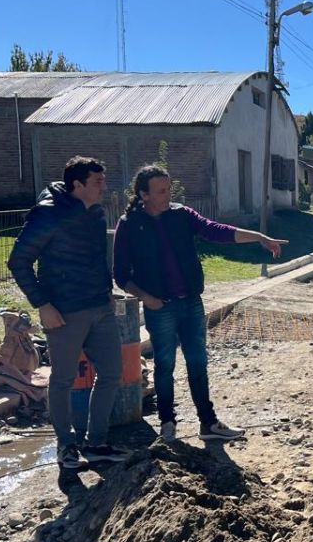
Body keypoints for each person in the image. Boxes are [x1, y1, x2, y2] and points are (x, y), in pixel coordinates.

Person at [113, 165, 288, 443]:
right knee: (165, 366)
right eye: (161, 191)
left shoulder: (181, 216)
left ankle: (208, 423)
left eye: (169, 188)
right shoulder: (130, 224)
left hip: (191, 303)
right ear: (143, 194)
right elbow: (121, 274)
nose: (168, 195)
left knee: (198, 363)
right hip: (161, 307)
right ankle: (167, 424)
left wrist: (259, 238)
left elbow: (216, 230)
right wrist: (147, 299)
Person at [8, 156, 129, 470]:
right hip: (63, 312)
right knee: (62, 380)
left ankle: (96, 442)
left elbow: (98, 258)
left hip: (99, 307)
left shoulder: (97, 213)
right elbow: (18, 262)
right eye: (98, 181)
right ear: (78, 185)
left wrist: (107, 292)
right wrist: (43, 305)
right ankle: (66, 446)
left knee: (112, 373)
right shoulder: (48, 215)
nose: (105, 187)